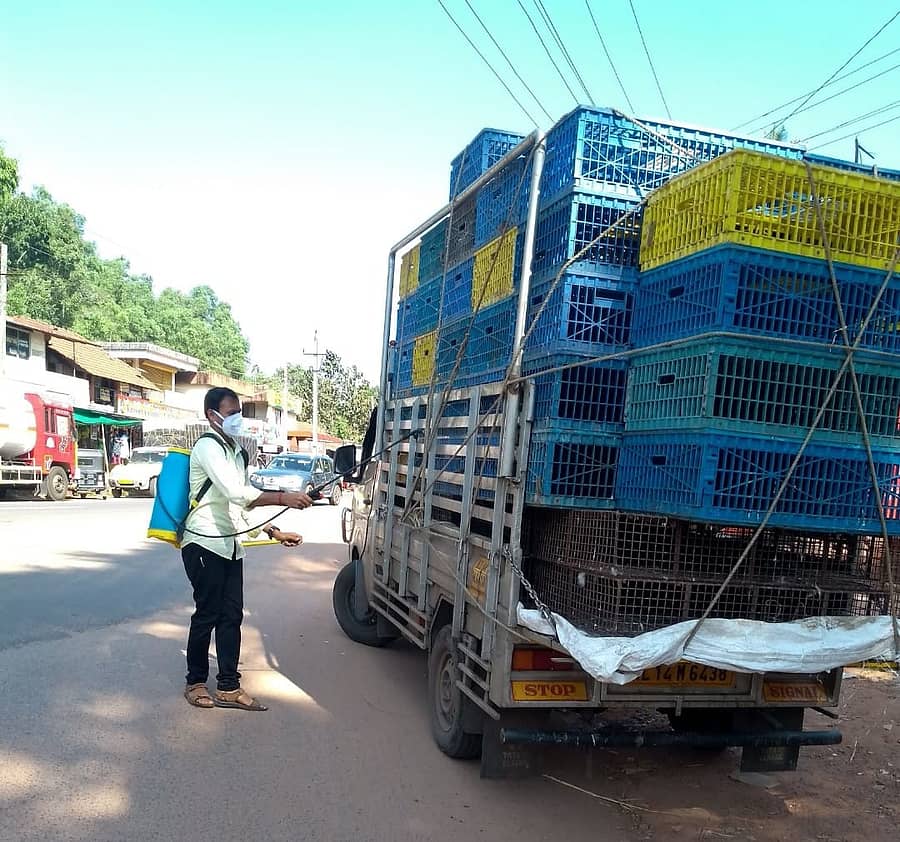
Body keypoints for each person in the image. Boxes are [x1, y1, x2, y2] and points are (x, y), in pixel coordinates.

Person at [181, 387, 312, 711]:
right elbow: (236, 492)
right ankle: (195, 681)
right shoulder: (207, 448)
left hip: (230, 545)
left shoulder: (236, 452)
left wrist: (274, 531)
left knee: (232, 617)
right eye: (231, 413)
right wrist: (283, 498)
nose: (237, 419)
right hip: (203, 541)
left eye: (240, 412)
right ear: (212, 415)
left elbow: (239, 507)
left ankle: (228, 686)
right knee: (208, 614)